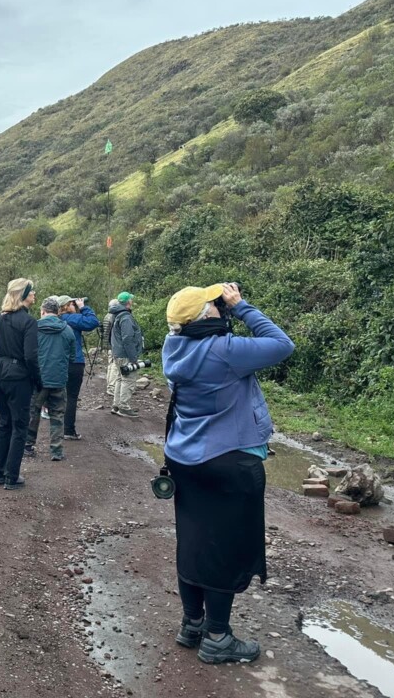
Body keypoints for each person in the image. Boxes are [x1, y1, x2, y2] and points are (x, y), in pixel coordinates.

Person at [162, 283, 294, 665]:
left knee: (194, 541)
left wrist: (221, 315)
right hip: (229, 462)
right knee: (226, 548)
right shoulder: (225, 350)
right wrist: (241, 307)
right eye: (215, 304)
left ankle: (192, 624)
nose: (222, 306)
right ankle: (218, 636)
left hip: (186, 459)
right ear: (208, 315)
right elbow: (282, 344)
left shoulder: (174, 349)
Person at [0, 278, 40, 490]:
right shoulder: (28, 322)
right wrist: (38, 381)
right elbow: (31, 356)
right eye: (32, 291)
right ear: (24, 295)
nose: (35, 294)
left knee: (4, 422)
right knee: (20, 425)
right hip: (17, 376)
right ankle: (11, 477)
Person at [25, 297, 76, 461]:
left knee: (33, 412)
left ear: (42, 311)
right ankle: (56, 451)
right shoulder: (67, 330)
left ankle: (28, 444)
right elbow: (72, 357)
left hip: (37, 379)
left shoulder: (34, 328)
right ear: (58, 311)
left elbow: (28, 354)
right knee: (57, 415)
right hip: (59, 379)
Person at [58, 295, 100, 439]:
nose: (74, 306)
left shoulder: (55, 319)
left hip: (58, 362)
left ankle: (56, 429)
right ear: (66, 306)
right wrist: (83, 307)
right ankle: (68, 430)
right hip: (74, 361)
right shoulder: (70, 318)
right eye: (72, 304)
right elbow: (93, 322)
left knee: (57, 395)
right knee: (71, 396)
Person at [108, 292, 144, 417]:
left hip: (117, 353)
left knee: (119, 378)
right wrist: (133, 357)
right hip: (125, 354)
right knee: (128, 379)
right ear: (128, 302)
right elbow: (128, 338)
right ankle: (124, 407)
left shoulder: (116, 315)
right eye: (131, 300)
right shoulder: (125, 317)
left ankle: (116, 405)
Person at [101, 298, 120, 398]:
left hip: (108, 344)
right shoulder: (113, 316)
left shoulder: (107, 316)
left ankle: (110, 385)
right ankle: (112, 387)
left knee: (110, 365)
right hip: (112, 344)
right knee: (113, 366)